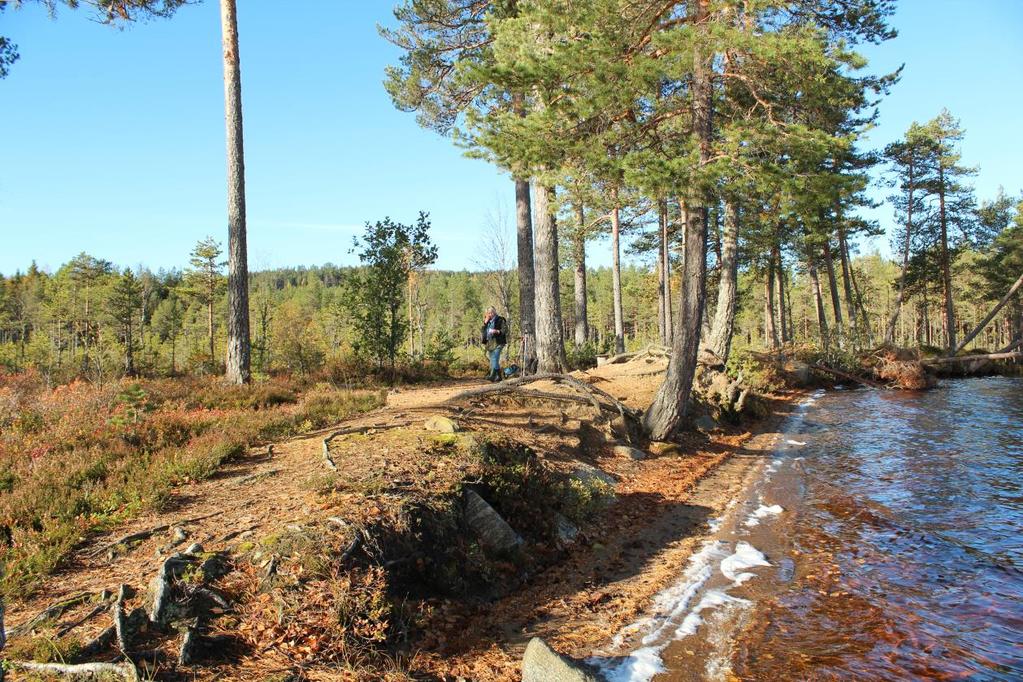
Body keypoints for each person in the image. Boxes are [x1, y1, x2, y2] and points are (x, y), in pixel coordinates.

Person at [480, 306, 508, 382]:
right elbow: (483, 331)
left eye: (492, 312)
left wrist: (497, 331)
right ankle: (499, 377)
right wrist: (485, 323)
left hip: (499, 342)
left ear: (495, 312)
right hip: (490, 343)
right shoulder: (488, 321)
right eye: (489, 313)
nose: (490, 314)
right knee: (493, 360)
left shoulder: (500, 320)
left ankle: (492, 376)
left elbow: (505, 330)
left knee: (495, 359)